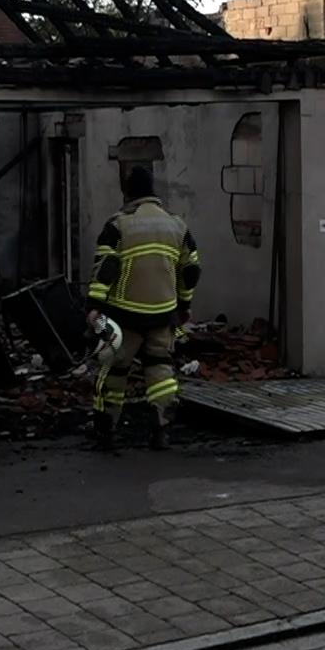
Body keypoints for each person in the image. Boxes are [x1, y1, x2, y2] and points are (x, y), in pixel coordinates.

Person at [85, 167, 201, 451]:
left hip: (124, 315)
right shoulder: (178, 226)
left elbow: (105, 270)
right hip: (163, 313)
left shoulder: (118, 225)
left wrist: (94, 307)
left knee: (114, 369)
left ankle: (106, 431)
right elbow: (191, 270)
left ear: (127, 192)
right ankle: (162, 427)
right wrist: (184, 305)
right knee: (160, 368)